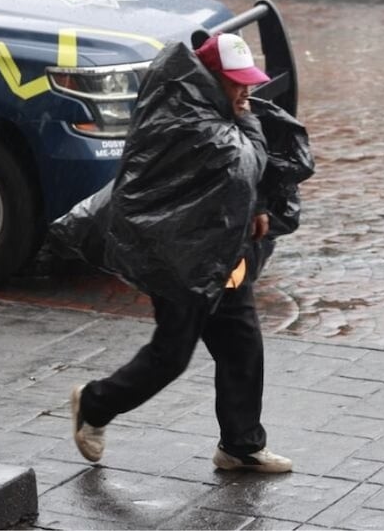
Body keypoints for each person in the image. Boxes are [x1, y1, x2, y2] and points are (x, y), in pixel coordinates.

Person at [69, 33, 297, 473]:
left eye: (248, 83)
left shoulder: (211, 109)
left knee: (242, 345)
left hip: (220, 255)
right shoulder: (191, 121)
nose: (245, 92)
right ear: (209, 79)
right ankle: (93, 405)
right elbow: (243, 163)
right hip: (180, 259)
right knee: (170, 356)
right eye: (236, 83)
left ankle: (241, 444)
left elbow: (241, 182)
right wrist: (249, 124)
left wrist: (259, 206)